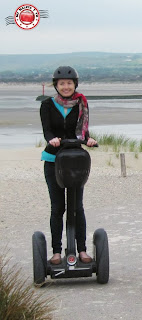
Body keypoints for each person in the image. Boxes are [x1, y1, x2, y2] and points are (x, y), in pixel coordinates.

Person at [40, 66, 97, 265]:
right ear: (56, 85)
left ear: (75, 85)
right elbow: (46, 130)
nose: (66, 87)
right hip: (53, 160)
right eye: (62, 83)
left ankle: (81, 250)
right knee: (58, 207)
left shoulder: (81, 103)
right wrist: (52, 140)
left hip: (74, 161)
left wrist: (89, 140)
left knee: (77, 207)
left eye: (69, 83)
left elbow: (83, 131)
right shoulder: (47, 105)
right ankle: (56, 252)